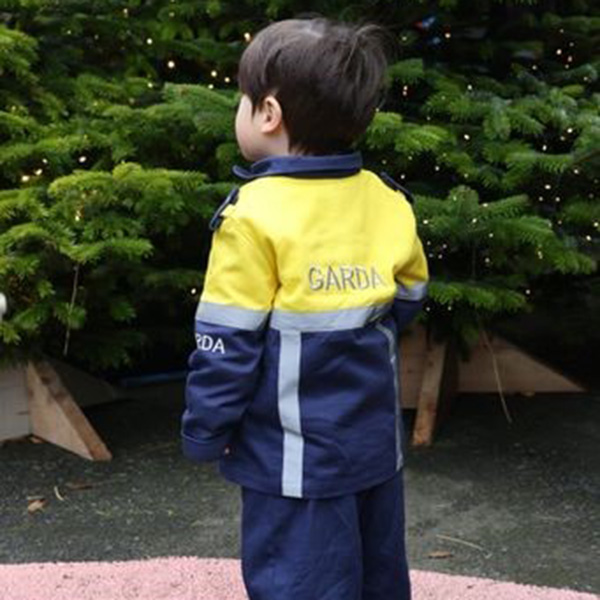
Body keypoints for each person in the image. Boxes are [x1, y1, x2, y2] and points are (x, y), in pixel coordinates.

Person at [181, 17, 429, 600]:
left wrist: (204, 429)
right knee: (379, 573)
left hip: (290, 458)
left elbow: (227, 345)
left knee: (297, 581)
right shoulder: (387, 199)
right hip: (374, 445)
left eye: (242, 99)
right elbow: (410, 296)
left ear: (268, 113)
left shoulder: (252, 216)